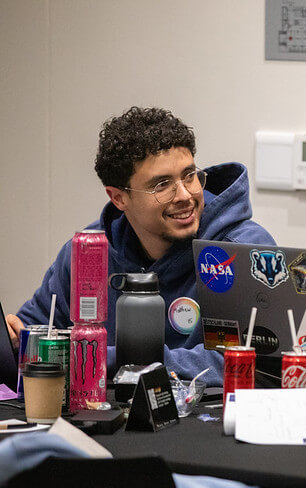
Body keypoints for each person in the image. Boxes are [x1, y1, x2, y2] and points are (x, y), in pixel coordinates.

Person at [5, 107, 275, 386]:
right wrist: (15, 338)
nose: (185, 195)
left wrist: (112, 360)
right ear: (119, 198)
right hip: (101, 412)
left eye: (189, 175)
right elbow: (34, 332)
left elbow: (258, 363)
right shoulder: (88, 253)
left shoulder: (246, 251)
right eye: (162, 185)